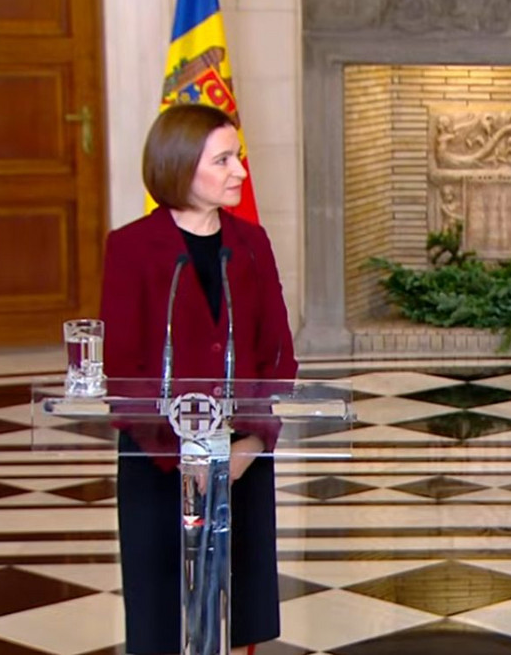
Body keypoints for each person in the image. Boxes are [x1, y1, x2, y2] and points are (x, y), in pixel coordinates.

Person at [100, 104, 297, 655]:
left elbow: (277, 356)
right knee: (163, 615)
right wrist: (187, 457)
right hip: (158, 462)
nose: (240, 172)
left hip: (241, 460)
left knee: (234, 608)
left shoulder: (251, 242)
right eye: (224, 160)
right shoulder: (131, 247)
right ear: (182, 166)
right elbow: (125, 370)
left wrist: (249, 445)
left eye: (238, 158)